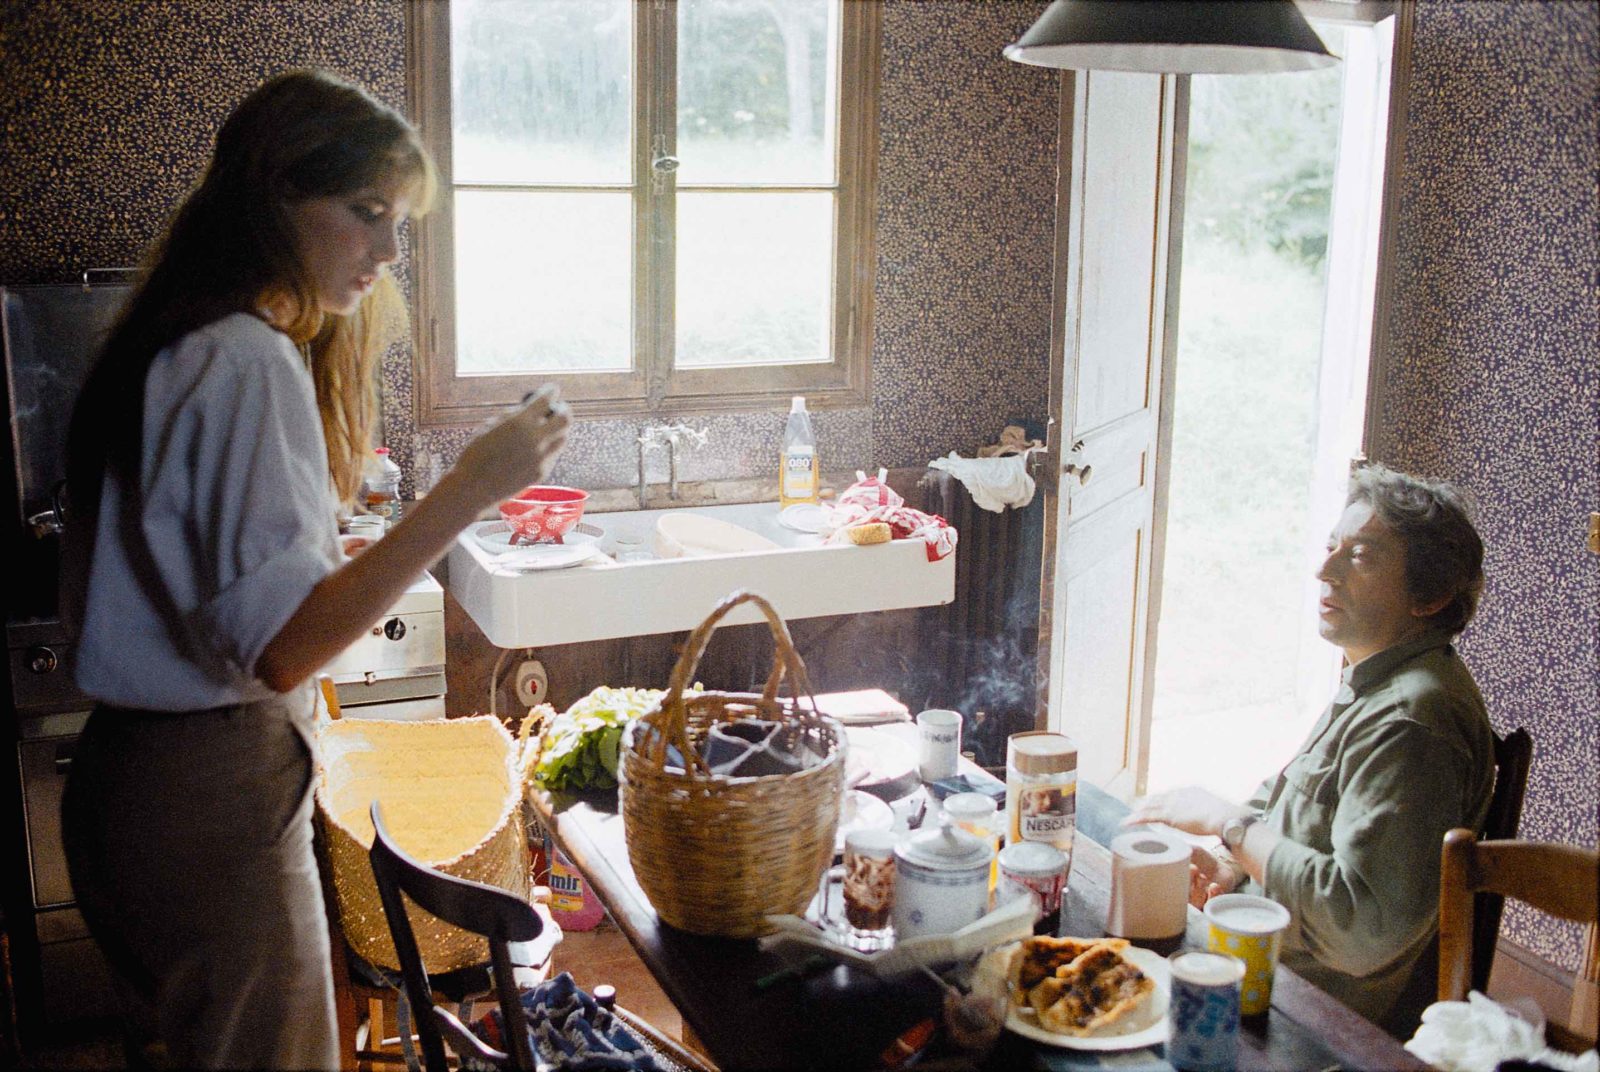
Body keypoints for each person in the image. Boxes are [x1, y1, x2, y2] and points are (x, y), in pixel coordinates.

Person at [58, 69, 570, 1070]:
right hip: (211, 787)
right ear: (273, 196)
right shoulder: (248, 358)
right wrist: (470, 487)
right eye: (365, 212)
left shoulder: (169, 345)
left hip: (125, 782)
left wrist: (326, 552)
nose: (386, 250)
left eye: (400, 222)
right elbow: (284, 649)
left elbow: (201, 577)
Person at [1126, 464, 1493, 1038]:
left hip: (1309, 1016)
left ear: (1431, 597)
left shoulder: (1412, 721)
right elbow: (1297, 803)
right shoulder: (1378, 677)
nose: (1325, 571)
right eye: (1331, 548)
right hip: (1270, 953)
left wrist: (1231, 825)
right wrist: (1231, 866)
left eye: (1362, 557)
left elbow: (1360, 929)